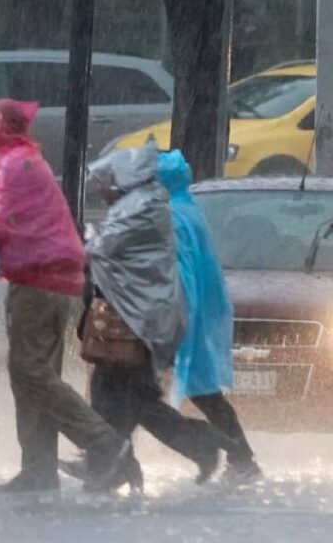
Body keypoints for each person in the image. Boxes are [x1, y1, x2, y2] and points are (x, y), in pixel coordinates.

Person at [0, 99, 130, 493]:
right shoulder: (26, 162)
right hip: (51, 280)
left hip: (39, 283)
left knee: (30, 373)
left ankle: (106, 446)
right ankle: (38, 470)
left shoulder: (12, 166)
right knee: (33, 376)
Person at [84, 144, 235, 487]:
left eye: (106, 184)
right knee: (131, 401)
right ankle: (110, 463)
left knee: (120, 398)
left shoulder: (154, 213)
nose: (100, 190)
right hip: (143, 326)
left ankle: (110, 464)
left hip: (138, 328)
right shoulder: (161, 209)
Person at [159, 149, 262, 483]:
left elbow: (181, 270)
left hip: (184, 315)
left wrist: (173, 318)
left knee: (128, 388)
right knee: (201, 391)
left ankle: (228, 451)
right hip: (203, 311)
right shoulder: (188, 208)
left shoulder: (173, 215)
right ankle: (239, 455)